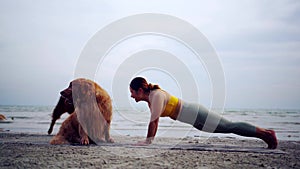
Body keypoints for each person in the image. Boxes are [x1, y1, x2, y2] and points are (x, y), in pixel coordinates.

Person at [129, 77, 278, 149]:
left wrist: (148, 141)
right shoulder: (151, 99)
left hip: (198, 114)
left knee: (230, 126)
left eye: (132, 92)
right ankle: (264, 134)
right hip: (196, 121)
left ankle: (266, 134)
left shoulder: (156, 96)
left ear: (140, 90)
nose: (131, 96)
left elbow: (154, 121)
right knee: (227, 129)